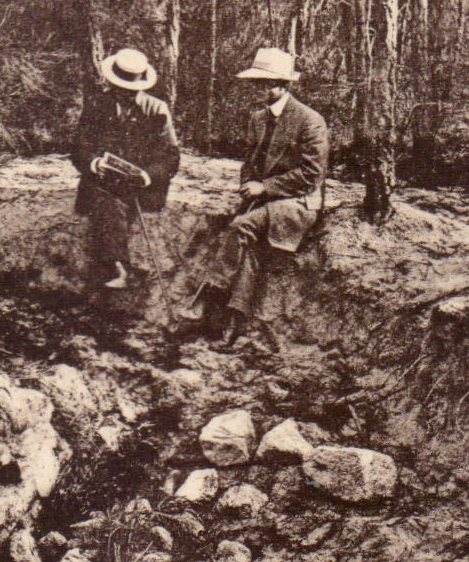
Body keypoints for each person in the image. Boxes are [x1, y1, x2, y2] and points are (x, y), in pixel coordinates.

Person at [179, 47, 329, 347]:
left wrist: (266, 188)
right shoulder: (258, 119)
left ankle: (209, 297)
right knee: (249, 251)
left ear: (283, 85)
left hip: (297, 201)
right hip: (265, 200)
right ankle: (229, 327)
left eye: (265, 83)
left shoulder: (310, 120)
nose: (257, 90)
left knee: (240, 228)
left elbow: (313, 175)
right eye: (255, 83)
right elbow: (250, 163)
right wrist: (249, 186)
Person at [71, 48, 181, 289]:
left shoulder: (157, 108)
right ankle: (119, 267)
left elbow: (171, 157)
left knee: (111, 200)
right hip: (103, 180)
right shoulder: (98, 104)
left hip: (141, 185)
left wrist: (146, 175)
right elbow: (79, 146)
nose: (126, 96)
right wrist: (94, 163)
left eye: (132, 90)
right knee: (105, 196)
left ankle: (119, 268)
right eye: (121, 89)